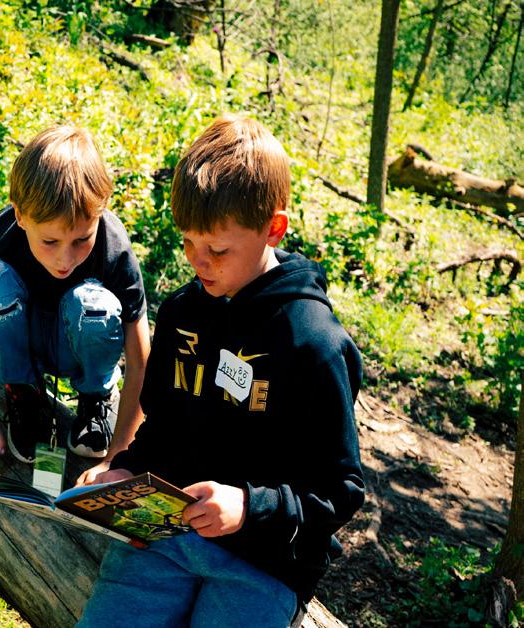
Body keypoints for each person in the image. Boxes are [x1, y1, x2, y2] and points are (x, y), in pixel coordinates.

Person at [78, 115, 365, 627]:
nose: (198, 261)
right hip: (166, 536)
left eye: (217, 249)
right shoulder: (183, 313)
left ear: (273, 229)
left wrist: (249, 507)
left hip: (263, 564)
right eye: (188, 242)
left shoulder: (313, 344)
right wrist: (126, 469)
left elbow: (340, 489)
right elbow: (164, 424)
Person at [0, 125, 151, 477]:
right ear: (20, 215)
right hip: (23, 341)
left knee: (94, 305)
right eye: (50, 242)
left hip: (76, 348)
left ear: (100, 212)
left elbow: (140, 359)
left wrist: (117, 457)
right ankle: (22, 391)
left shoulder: (113, 248)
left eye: (81, 240)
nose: (65, 259)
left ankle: (95, 398)